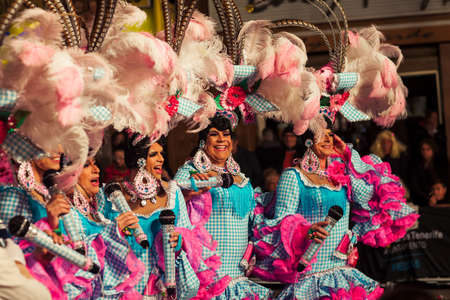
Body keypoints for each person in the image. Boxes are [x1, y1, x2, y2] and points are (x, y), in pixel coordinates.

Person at [252, 123, 419, 299]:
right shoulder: (293, 176)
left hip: (343, 272)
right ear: (308, 140)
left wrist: (347, 156)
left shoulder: (342, 174)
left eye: (330, 134)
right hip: (310, 275)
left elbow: (375, 196)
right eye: (320, 134)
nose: (327, 139)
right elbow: (281, 223)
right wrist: (306, 231)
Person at [114, 133, 225, 299]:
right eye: (154, 154)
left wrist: (179, 241)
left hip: (164, 288)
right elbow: (100, 244)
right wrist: (116, 230)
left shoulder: (172, 192)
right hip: (124, 288)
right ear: (139, 159)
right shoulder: (111, 194)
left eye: (161, 154)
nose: (161, 159)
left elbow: (191, 238)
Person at [175, 113, 272, 300]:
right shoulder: (190, 172)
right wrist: (189, 191)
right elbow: (173, 203)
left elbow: (254, 219)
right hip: (206, 273)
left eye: (226, 134)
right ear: (203, 141)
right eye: (214, 134)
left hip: (238, 275)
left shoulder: (242, 179)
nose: (221, 139)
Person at [409, 139, 448, 206]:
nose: (425, 152)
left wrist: (439, 194)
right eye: (423, 150)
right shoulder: (416, 166)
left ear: (433, 150)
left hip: (443, 198)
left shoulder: (440, 164)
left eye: (428, 149)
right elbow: (415, 187)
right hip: (424, 199)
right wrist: (429, 197)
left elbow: (444, 182)